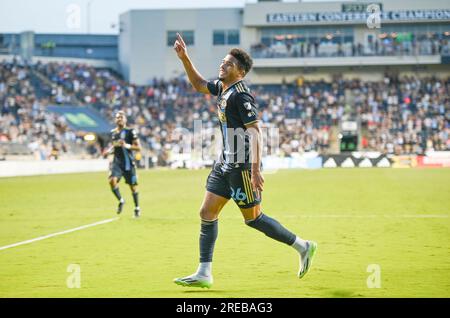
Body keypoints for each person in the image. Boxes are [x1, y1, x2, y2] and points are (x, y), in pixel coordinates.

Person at [173, 33, 317, 288]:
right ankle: (204, 273)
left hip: (241, 166)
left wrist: (255, 170)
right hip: (224, 163)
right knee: (207, 212)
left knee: (253, 219)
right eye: (223, 61)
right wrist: (184, 58)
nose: (222, 65)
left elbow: (255, 132)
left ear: (240, 72)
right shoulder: (222, 88)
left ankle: (303, 246)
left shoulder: (241, 96)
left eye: (228, 64)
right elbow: (198, 84)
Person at [103, 111, 142, 218]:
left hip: (128, 163)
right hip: (117, 163)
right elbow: (114, 146)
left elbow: (138, 147)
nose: (119, 119)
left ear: (125, 119)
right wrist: (109, 151)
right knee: (112, 180)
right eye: (117, 117)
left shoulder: (130, 131)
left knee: (133, 187)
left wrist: (127, 145)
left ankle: (137, 208)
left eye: (121, 117)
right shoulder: (113, 133)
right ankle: (121, 200)